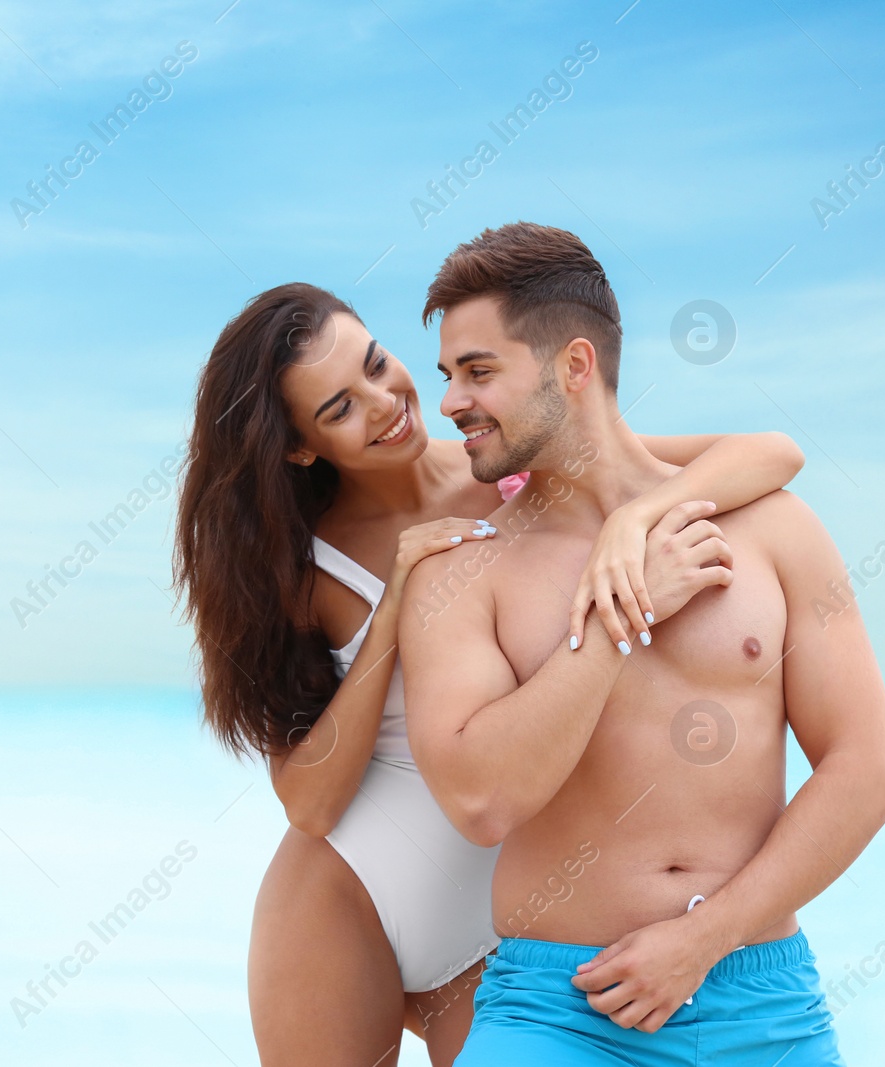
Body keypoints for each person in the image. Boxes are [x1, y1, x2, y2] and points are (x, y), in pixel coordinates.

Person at [171, 282, 808, 1066]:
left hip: (499, 909)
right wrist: (397, 606)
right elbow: (307, 802)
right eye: (339, 408)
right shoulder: (301, 566)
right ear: (301, 447)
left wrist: (638, 520)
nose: (384, 403)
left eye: (377, 364)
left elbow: (772, 452)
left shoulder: (508, 469)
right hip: (348, 895)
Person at [400, 223, 885, 1066]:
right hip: (557, 1010)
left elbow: (866, 775)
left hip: (760, 995)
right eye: (447, 374)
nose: (450, 401)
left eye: (479, 371)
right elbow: (482, 800)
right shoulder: (463, 573)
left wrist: (704, 938)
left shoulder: (772, 527)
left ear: (575, 367)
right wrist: (622, 614)